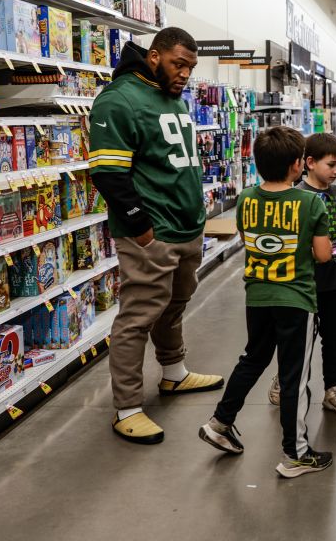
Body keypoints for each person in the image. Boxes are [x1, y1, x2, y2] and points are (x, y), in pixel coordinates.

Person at [89, 26, 224, 445]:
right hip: (153, 231)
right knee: (138, 317)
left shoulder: (169, 96)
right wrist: (142, 228)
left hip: (186, 227)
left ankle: (173, 373)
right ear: (153, 56)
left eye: (190, 67)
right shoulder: (119, 99)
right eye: (177, 63)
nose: (184, 73)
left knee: (175, 303)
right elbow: (108, 173)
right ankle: (127, 407)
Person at [199, 126, 335, 478]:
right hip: (296, 299)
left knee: (253, 359)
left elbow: (249, 238)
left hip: (257, 296)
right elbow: (323, 256)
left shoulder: (245, 198)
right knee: (294, 376)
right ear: (297, 165)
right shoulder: (310, 202)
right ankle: (295, 453)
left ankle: (219, 422)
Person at [266, 133, 336, 417]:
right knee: (297, 339)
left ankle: (333, 390)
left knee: (335, 337)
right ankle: (285, 379)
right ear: (309, 163)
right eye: (331, 165)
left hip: (334, 281)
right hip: (302, 284)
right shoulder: (295, 196)